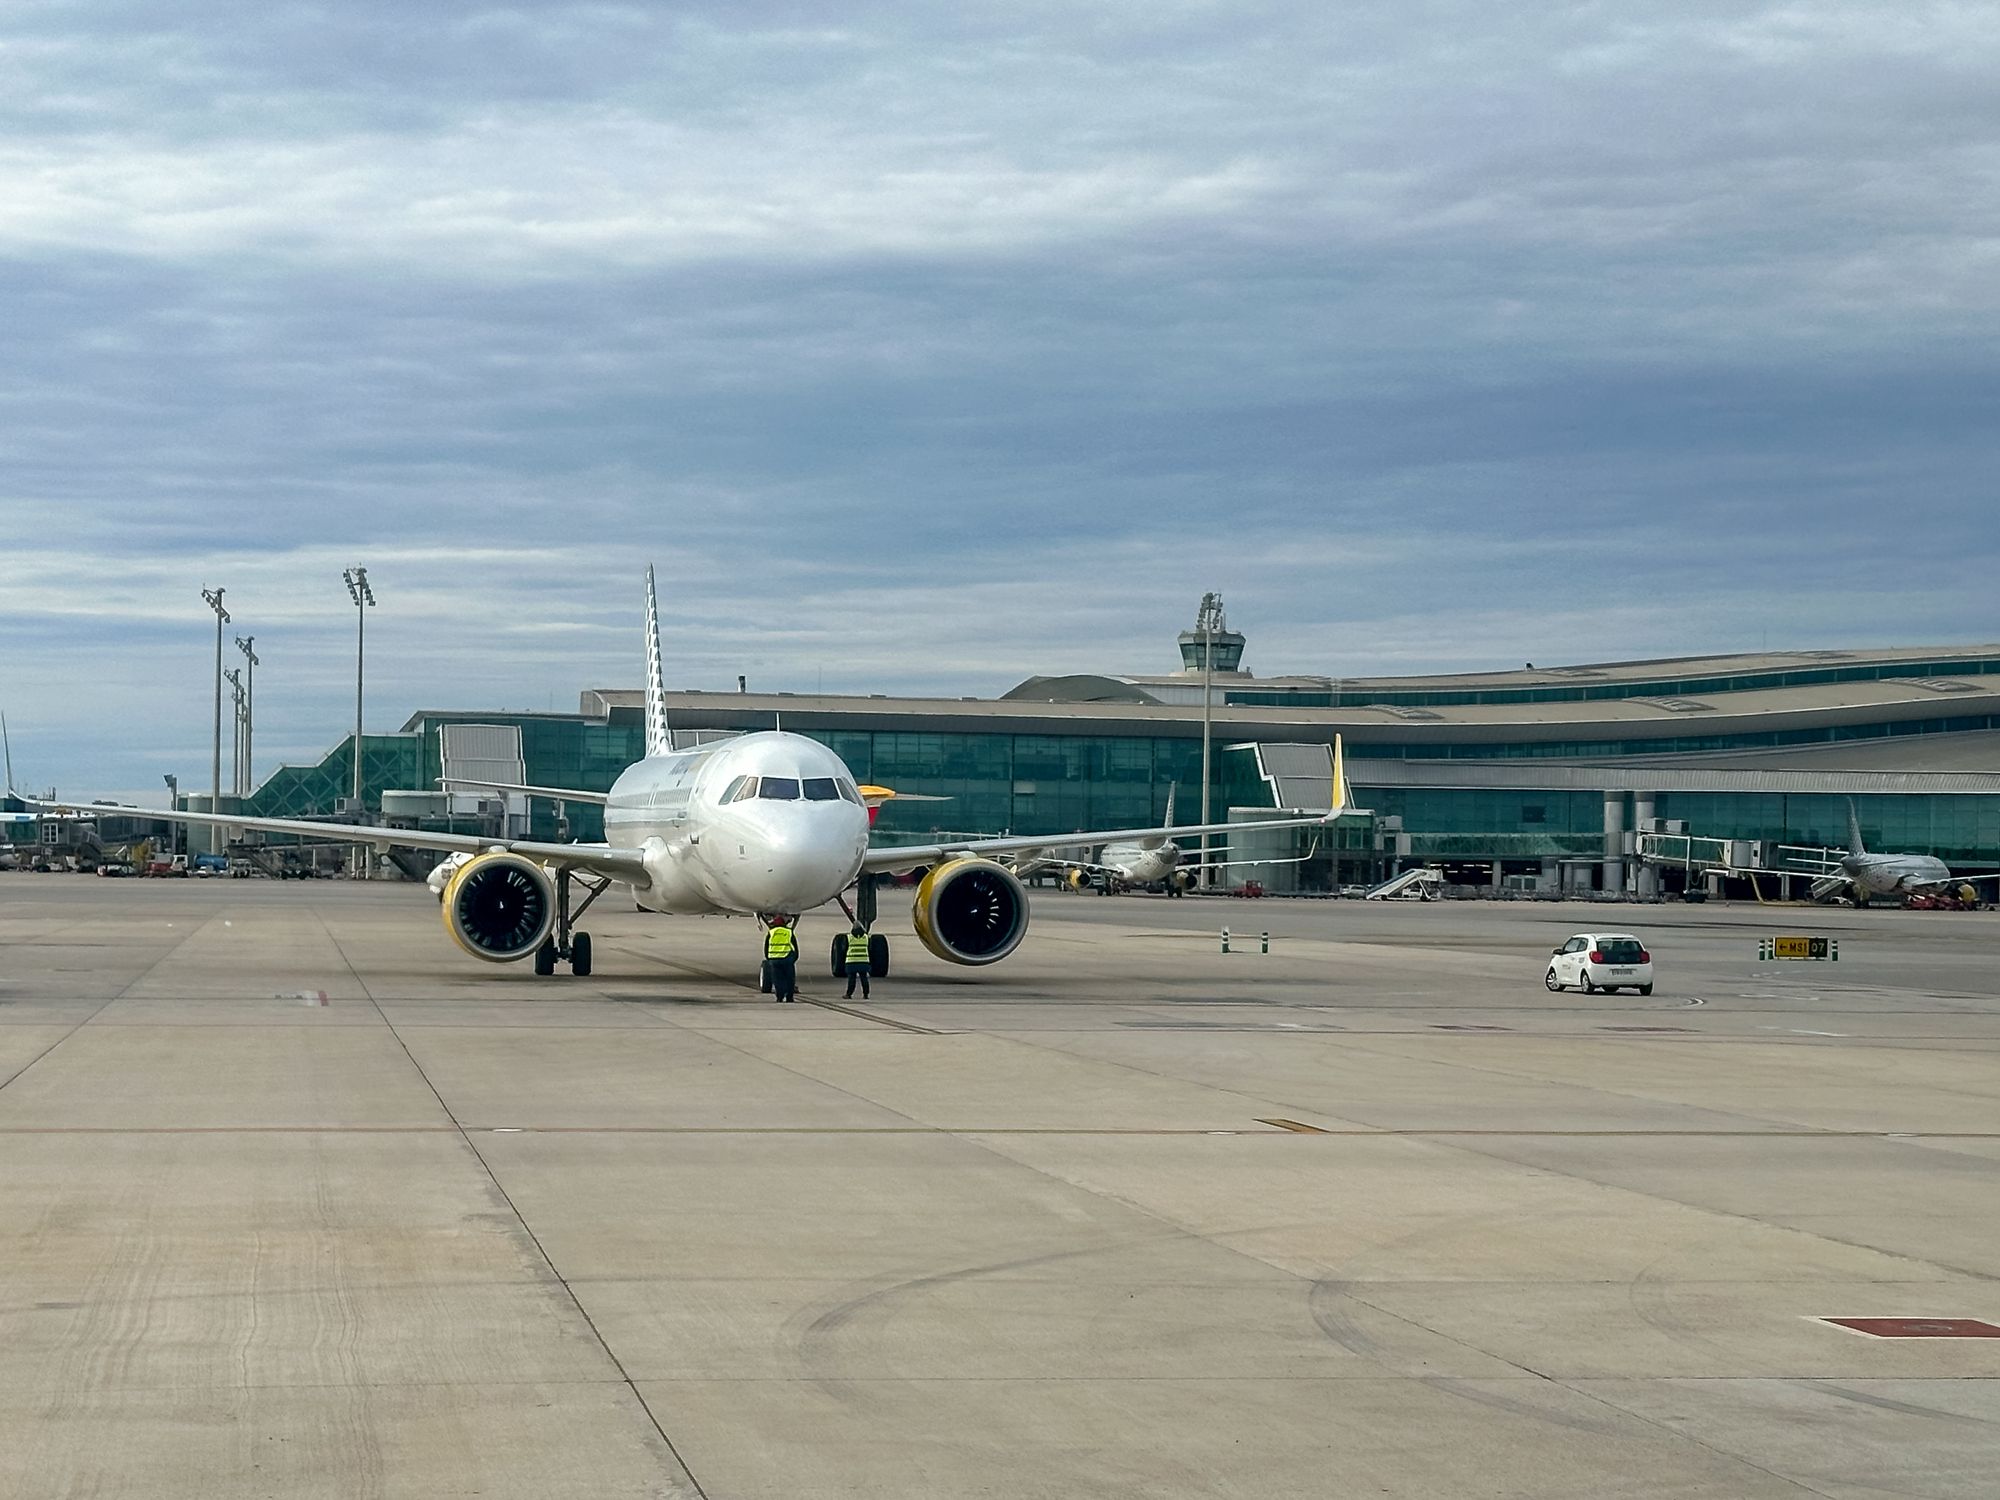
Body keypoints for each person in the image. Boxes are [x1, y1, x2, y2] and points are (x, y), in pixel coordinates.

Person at [764, 917, 798, 1002]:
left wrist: (769, 959)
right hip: (787, 959)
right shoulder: (788, 932)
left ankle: (779, 997)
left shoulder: (771, 932)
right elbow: (795, 947)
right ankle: (789, 997)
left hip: (774, 960)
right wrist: (794, 958)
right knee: (790, 979)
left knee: (777, 980)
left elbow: (766, 947)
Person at [843, 923, 874, 999]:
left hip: (851, 961)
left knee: (851, 979)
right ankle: (866, 994)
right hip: (863, 961)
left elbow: (844, 949)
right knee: (864, 978)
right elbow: (870, 949)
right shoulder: (866, 937)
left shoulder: (849, 937)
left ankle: (849, 994)